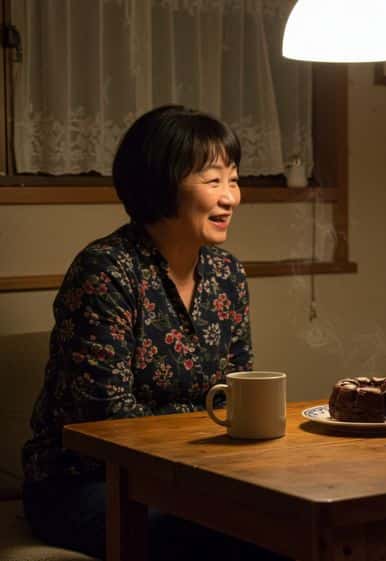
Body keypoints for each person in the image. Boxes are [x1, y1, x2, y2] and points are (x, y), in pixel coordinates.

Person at [22, 105, 286, 561]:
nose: (231, 198)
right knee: (236, 535)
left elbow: (238, 392)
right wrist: (209, 428)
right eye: (213, 180)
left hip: (194, 476)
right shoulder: (106, 270)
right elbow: (107, 418)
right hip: (84, 484)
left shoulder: (227, 274)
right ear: (162, 183)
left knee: (290, 518)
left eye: (235, 179)